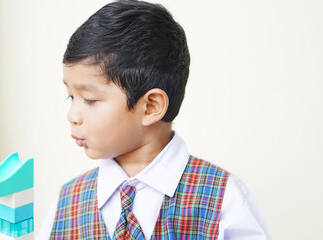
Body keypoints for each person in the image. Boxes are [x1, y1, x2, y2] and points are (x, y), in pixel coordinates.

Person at [38, 0, 272, 239]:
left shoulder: (223, 199)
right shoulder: (66, 202)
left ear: (150, 107)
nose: (72, 116)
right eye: (70, 97)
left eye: (89, 99)